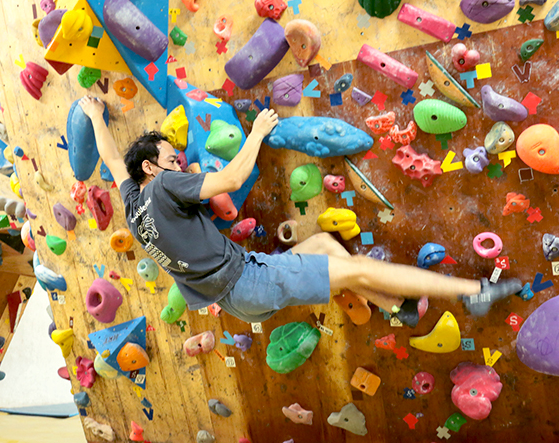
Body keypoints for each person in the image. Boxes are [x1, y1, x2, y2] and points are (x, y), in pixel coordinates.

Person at [79, 96, 521, 324]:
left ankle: (395, 307)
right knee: (360, 269)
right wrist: (257, 132)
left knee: (325, 244)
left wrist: (97, 117)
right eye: (170, 158)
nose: (179, 162)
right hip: (250, 282)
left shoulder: (133, 206)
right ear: (151, 167)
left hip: (239, 299)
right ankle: (472, 291)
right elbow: (230, 180)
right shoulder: (163, 185)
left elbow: (114, 160)